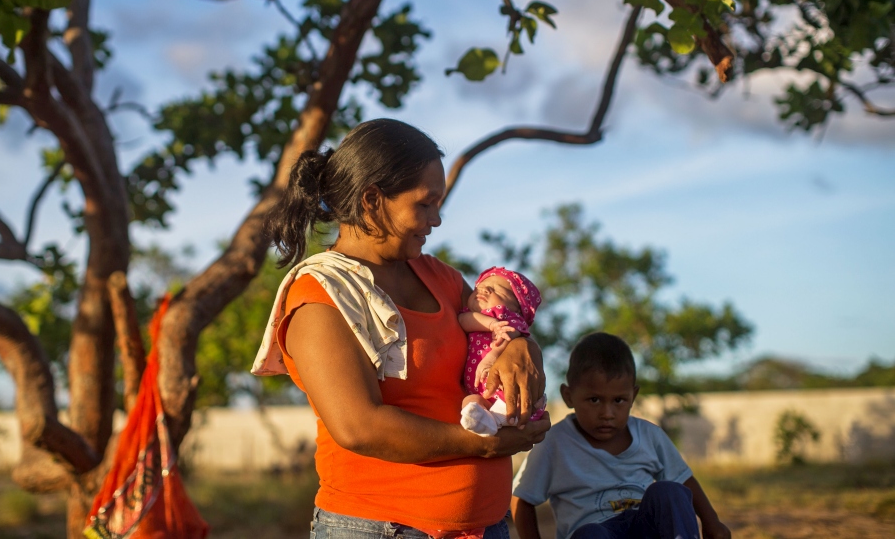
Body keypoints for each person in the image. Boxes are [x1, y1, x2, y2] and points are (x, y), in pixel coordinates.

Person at [251, 118, 551, 539]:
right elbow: (359, 427)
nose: (437, 220)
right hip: (377, 527)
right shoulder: (321, 297)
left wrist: (521, 344)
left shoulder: (439, 277)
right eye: (425, 204)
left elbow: (500, 329)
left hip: (486, 526)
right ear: (373, 200)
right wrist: (482, 445)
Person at [511, 332, 730, 539]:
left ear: (633, 396)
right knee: (590, 535)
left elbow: (683, 479)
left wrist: (712, 523)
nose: (607, 414)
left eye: (618, 401)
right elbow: (521, 499)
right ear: (568, 396)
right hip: (595, 532)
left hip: (644, 528)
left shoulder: (649, 435)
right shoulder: (554, 442)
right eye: (594, 400)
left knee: (670, 490)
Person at [459, 267, 547, 437]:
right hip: (480, 393)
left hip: (504, 389)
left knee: (513, 401)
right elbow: (463, 320)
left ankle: (498, 420)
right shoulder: (473, 316)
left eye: (499, 289)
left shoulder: (506, 318)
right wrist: (490, 324)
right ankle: (485, 422)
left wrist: (493, 355)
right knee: (470, 404)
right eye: (481, 286)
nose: (485, 289)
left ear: (518, 308)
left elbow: (507, 334)